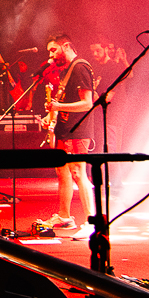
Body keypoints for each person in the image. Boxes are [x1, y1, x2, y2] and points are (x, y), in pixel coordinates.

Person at [37, 34, 95, 237]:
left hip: (77, 130)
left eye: (54, 50)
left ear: (67, 46)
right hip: (64, 129)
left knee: (79, 173)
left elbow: (87, 103)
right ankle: (64, 217)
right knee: (62, 172)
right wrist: (50, 116)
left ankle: (91, 221)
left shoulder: (80, 67)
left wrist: (58, 107)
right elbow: (61, 101)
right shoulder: (67, 71)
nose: (51, 55)